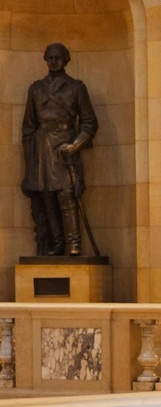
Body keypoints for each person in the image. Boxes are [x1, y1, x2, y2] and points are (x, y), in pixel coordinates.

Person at [21, 42, 98, 257]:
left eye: (58, 57)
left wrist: (75, 145)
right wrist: (30, 164)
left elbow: (89, 122)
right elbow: (28, 127)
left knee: (67, 197)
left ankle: (74, 243)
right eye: (50, 57)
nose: (53, 61)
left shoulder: (76, 87)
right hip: (42, 149)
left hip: (65, 145)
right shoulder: (35, 89)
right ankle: (57, 244)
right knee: (47, 198)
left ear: (66, 60)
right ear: (45, 59)